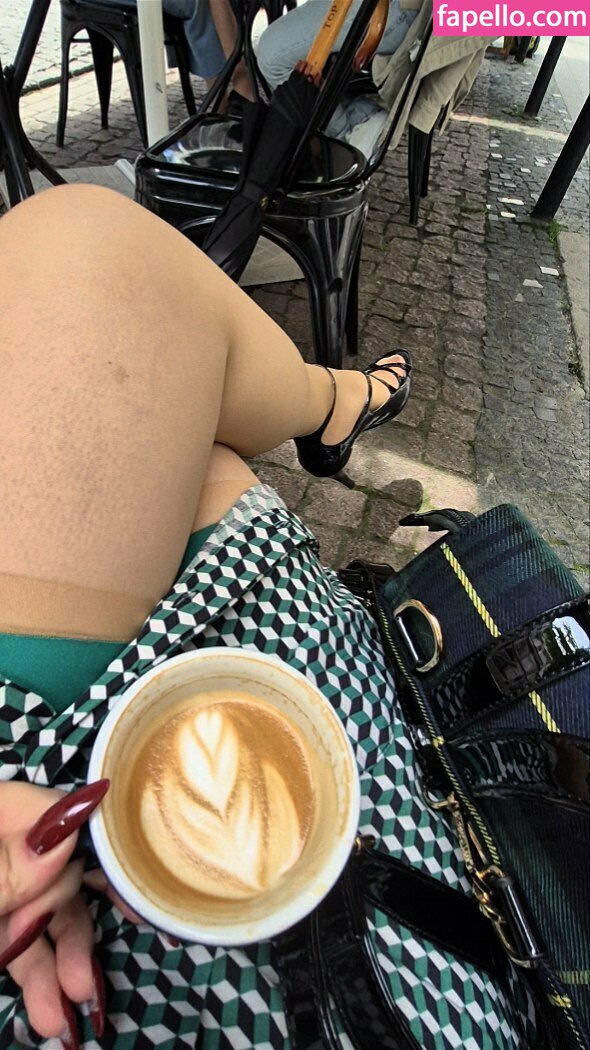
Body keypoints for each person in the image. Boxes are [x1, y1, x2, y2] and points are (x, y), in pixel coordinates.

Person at [0, 186, 529, 1049]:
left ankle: (336, 404)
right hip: (332, 975)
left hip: (28, 829)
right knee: (108, 276)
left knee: (117, 306)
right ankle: (337, 405)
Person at [256, 0, 422, 145]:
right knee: (287, 48)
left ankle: (351, 129)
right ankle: (352, 115)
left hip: (397, 10)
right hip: (410, 10)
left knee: (272, 54)